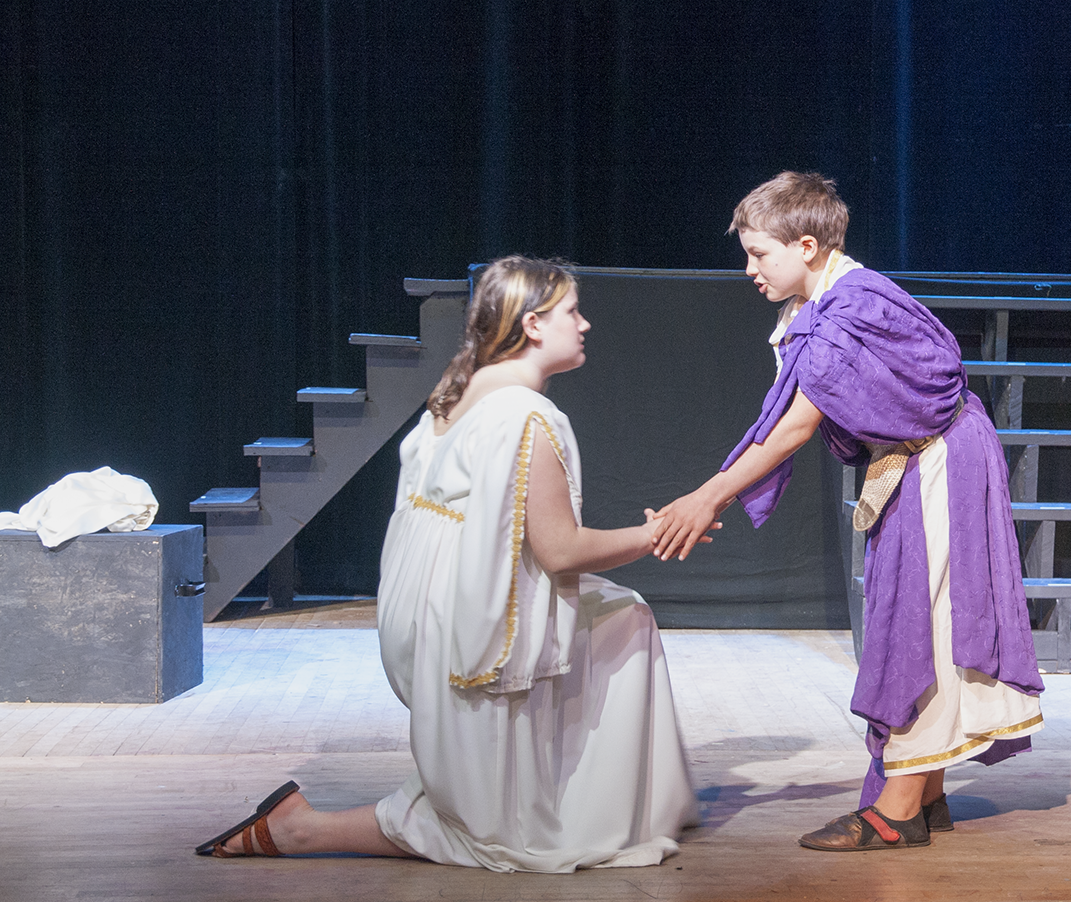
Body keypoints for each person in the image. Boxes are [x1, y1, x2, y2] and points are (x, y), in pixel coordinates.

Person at [197, 255, 703, 871]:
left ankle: (596, 796)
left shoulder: (454, 397)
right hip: (476, 633)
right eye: (572, 312)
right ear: (533, 324)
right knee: (500, 839)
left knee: (623, 614)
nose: (585, 324)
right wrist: (654, 534)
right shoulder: (528, 417)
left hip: (438, 620)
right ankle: (303, 829)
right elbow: (560, 551)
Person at [651, 172, 1045, 852]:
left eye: (760, 254)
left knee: (923, 628)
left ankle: (898, 810)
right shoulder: (832, 303)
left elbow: (794, 427)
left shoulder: (849, 310)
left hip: (940, 464)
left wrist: (708, 494)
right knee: (922, 619)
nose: (750, 270)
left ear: (806, 246)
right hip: (924, 460)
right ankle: (925, 792)